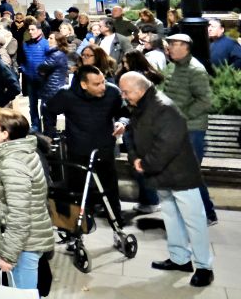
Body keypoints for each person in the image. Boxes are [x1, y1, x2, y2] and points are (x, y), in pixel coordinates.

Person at [120, 72, 214, 287]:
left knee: (194, 222)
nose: (123, 96)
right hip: (160, 172)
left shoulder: (164, 107)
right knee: (171, 217)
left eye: (126, 92)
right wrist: (135, 157)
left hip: (180, 174)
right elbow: (131, 135)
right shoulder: (141, 105)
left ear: (140, 89)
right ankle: (180, 259)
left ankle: (204, 267)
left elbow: (168, 144)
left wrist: (144, 164)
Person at [45, 65, 126, 220]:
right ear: (83, 84)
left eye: (103, 81)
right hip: (78, 151)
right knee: (77, 191)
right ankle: (76, 231)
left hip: (104, 149)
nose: (103, 87)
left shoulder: (112, 92)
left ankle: (117, 225)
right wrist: (51, 134)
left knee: (110, 191)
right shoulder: (66, 95)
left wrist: (122, 122)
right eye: (97, 84)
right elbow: (48, 110)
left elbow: (124, 112)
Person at [0, 107, 55, 290]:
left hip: (24, 245)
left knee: (23, 293)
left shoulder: (13, 164)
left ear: (5, 133)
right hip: (28, 240)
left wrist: (8, 256)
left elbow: (19, 215)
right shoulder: (25, 152)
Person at [161, 32, 217, 226]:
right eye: (168, 44)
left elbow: (205, 100)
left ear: (184, 46)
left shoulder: (196, 70)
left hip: (192, 129)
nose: (168, 48)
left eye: (172, 45)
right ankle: (194, 212)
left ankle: (208, 213)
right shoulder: (172, 66)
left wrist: (181, 116)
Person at [19, 20, 48, 133]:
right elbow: (23, 60)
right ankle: (35, 126)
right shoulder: (26, 44)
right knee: (32, 104)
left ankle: (46, 125)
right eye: (29, 30)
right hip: (30, 79)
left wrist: (45, 72)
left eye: (33, 30)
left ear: (39, 30)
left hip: (43, 80)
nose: (30, 32)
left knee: (45, 105)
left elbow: (50, 60)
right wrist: (25, 70)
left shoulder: (46, 44)